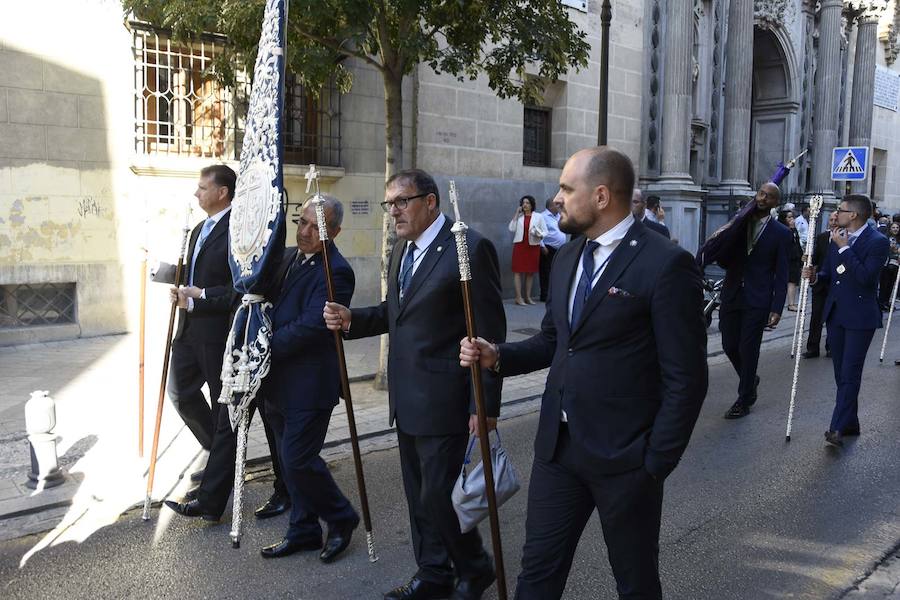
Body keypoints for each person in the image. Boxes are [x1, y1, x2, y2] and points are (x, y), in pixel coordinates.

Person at [460, 147, 708, 600]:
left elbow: (686, 379)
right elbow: (555, 342)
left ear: (599, 196)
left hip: (626, 460)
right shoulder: (570, 257)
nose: (556, 199)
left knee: (635, 584)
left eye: (566, 189)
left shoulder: (665, 263)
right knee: (536, 575)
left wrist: (654, 464)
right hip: (558, 451)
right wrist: (498, 355)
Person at [323, 169, 505, 600]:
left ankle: (474, 567)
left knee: (439, 496)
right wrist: (353, 320)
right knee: (419, 499)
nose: (393, 212)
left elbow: (489, 330)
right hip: (406, 398)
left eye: (402, 202)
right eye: (389, 204)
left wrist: (487, 405)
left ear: (430, 202)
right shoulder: (402, 249)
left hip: (447, 398)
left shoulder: (468, 248)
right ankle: (433, 573)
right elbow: (395, 311)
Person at [257, 195, 360, 562]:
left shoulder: (337, 271)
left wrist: (265, 345)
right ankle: (303, 529)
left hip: (310, 384)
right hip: (277, 382)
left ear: (334, 232)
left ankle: (342, 516)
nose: (305, 231)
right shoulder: (287, 257)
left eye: (317, 227)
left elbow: (313, 325)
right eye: (302, 222)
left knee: (298, 459)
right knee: (288, 462)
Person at [153, 165, 235, 452]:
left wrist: (197, 298)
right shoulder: (200, 228)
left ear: (222, 192)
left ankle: (220, 469)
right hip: (188, 330)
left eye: (203, 188)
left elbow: (236, 286)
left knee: (219, 400)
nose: (196, 193)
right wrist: (160, 271)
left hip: (216, 334)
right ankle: (217, 454)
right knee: (178, 391)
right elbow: (195, 272)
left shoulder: (236, 230)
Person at [803, 194, 889, 447]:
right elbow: (830, 274)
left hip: (861, 316)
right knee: (842, 373)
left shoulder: (878, 242)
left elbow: (865, 277)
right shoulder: (835, 237)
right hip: (836, 314)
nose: (836, 214)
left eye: (840, 210)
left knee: (851, 372)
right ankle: (851, 422)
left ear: (853, 214)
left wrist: (844, 248)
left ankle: (837, 427)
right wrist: (815, 276)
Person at [718, 182, 791, 419]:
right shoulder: (739, 223)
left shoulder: (781, 233)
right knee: (730, 345)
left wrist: (777, 307)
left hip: (758, 298)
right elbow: (725, 260)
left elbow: (782, 273)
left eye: (768, 196)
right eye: (761, 193)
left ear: (775, 203)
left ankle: (744, 398)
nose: (762, 198)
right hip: (732, 294)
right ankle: (751, 379)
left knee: (748, 349)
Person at [803, 211, 838, 359]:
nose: (833, 221)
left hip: (835, 284)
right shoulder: (822, 237)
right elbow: (815, 258)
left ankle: (831, 347)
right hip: (820, 283)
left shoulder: (845, 238)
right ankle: (812, 348)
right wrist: (807, 259)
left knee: (833, 316)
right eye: (831, 219)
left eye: (836, 219)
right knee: (816, 316)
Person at [509, 195, 547, 305]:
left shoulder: (538, 217)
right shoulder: (519, 217)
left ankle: (528, 297)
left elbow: (545, 231)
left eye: (527, 203)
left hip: (533, 246)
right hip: (520, 246)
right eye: (523, 203)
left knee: (530, 272)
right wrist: (516, 214)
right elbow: (511, 228)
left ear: (532, 205)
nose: (525, 205)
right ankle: (518, 297)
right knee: (518, 272)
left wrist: (539, 234)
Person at [538, 198, 566, 302]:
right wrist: (542, 246)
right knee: (546, 272)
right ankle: (544, 295)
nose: (559, 207)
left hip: (560, 249)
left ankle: (554, 293)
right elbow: (538, 231)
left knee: (556, 271)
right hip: (548, 248)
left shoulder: (559, 216)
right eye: (557, 205)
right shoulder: (542, 216)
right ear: (550, 206)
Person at [778, 209, 802, 311]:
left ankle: (791, 303)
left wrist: (801, 256)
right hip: (786, 258)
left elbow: (797, 244)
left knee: (793, 281)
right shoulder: (782, 230)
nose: (792, 219)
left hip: (794, 258)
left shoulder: (793, 230)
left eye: (792, 217)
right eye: (789, 217)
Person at [877, 221, 899, 311]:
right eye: (893, 227)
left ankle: (886, 301)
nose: (895, 229)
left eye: (897, 228)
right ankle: (881, 303)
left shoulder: (898, 239)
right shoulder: (886, 238)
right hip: (886, 264)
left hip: (896, 264)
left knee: (891, 284)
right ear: (890, 228)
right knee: (884, 284)